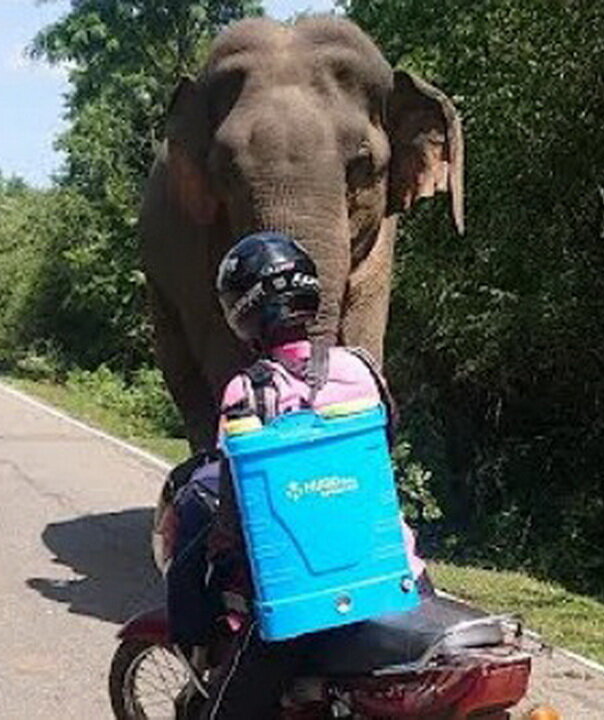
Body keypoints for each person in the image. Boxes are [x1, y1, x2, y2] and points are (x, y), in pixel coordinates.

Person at [183, 231, 427, 720]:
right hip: (400, 576)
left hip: (300, 600)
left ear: (242, 311)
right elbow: (381, 447)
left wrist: (215, 557)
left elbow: (234, 507)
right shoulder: (362, 369)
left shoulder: (246, 393)